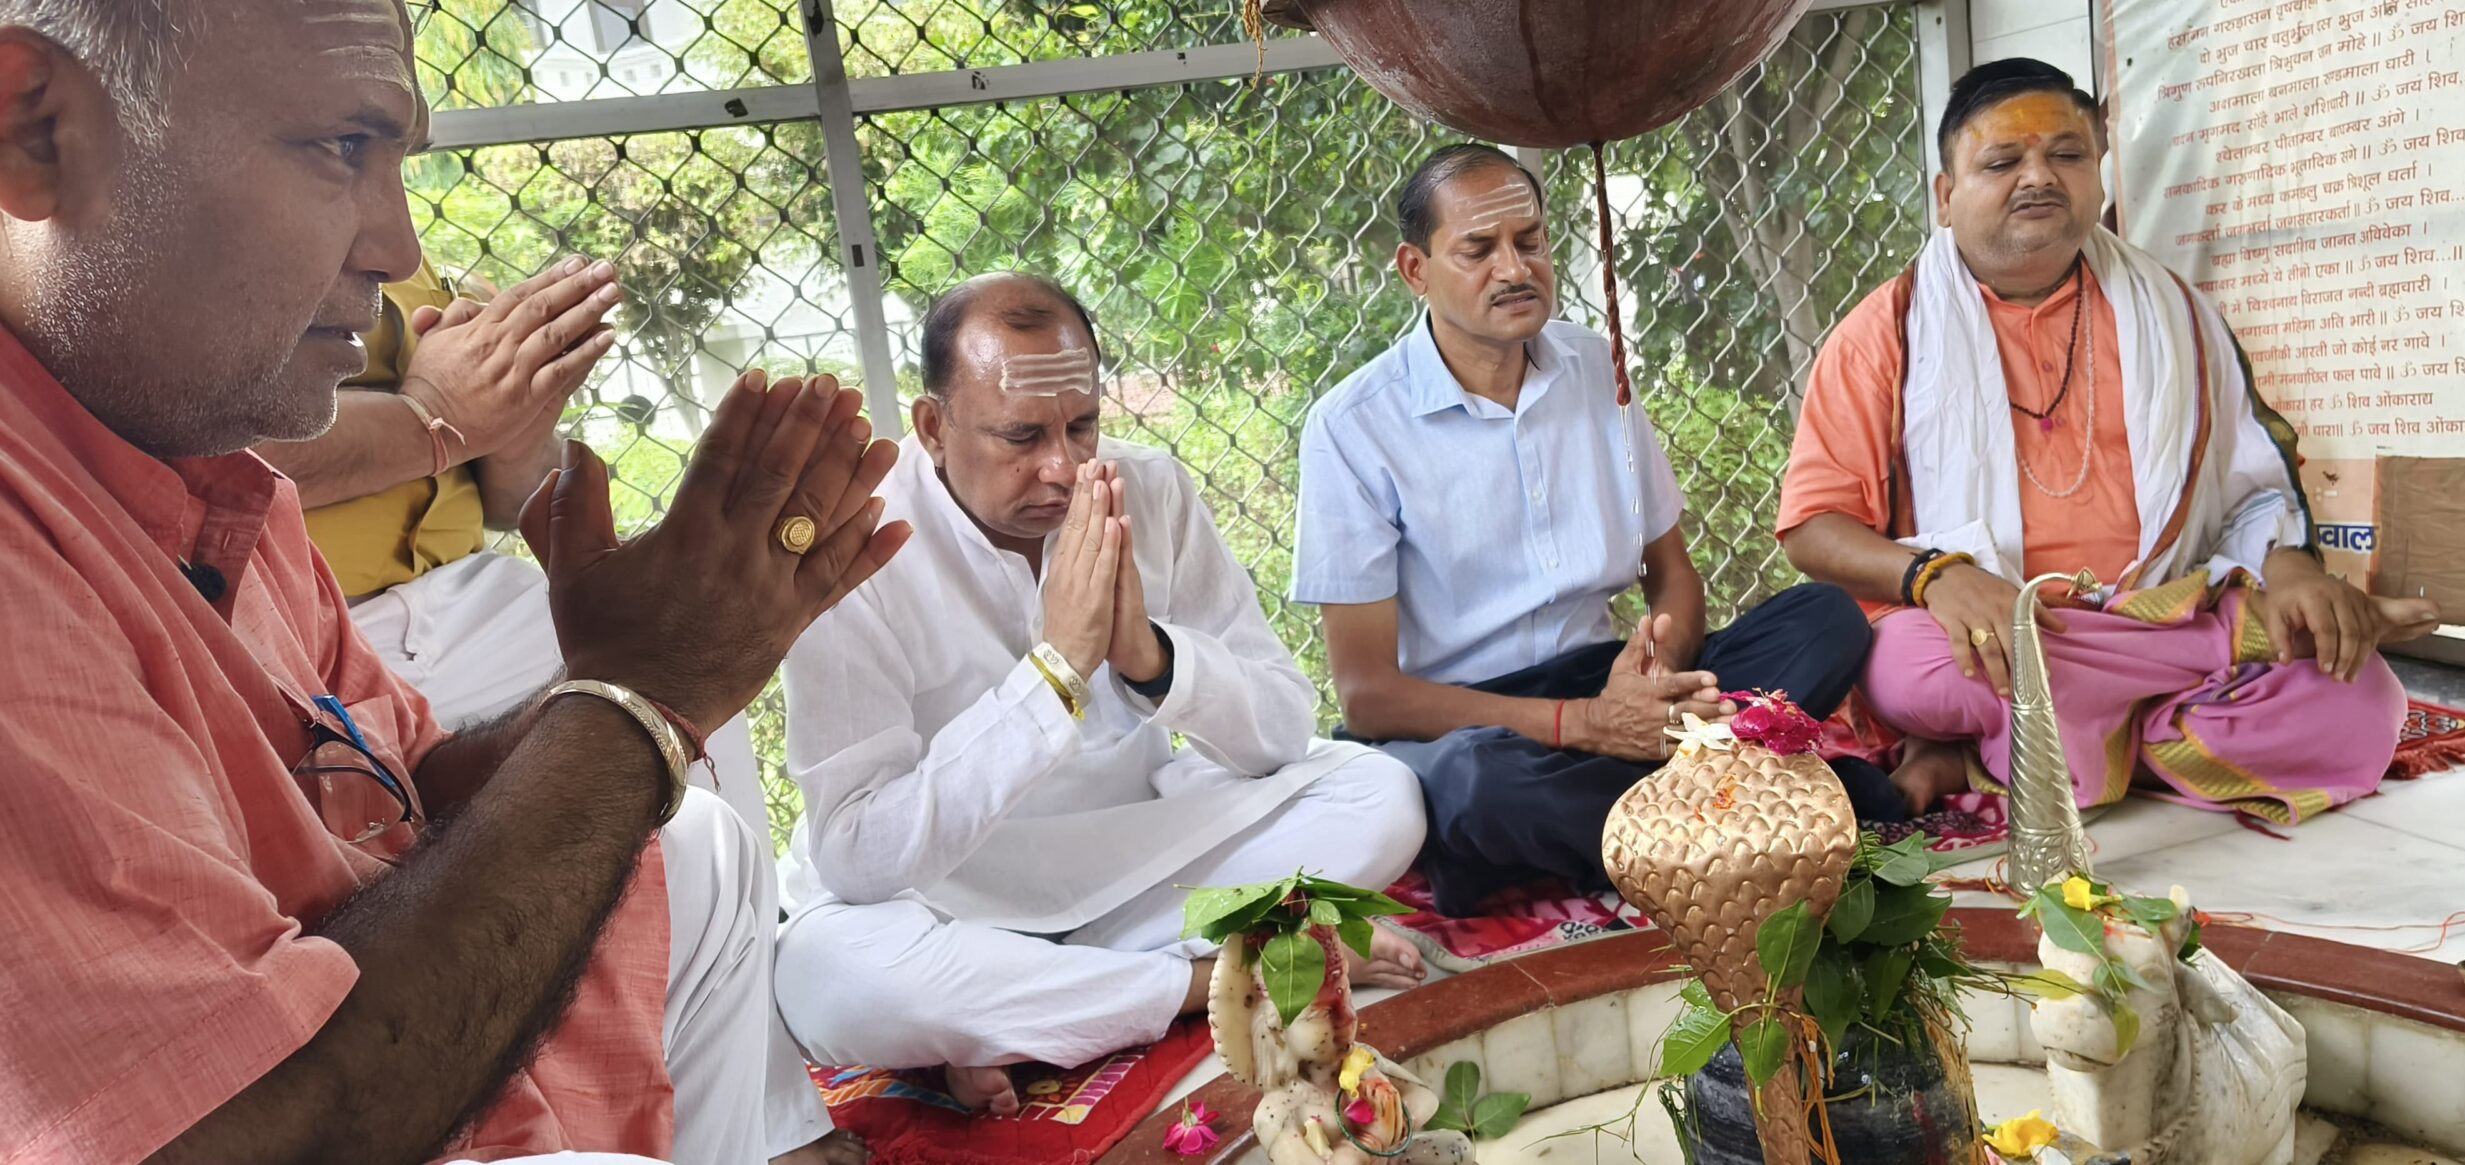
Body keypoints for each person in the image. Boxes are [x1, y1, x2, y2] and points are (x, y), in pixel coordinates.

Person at [0, 3, 909, 1164]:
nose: (395, 245)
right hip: (281, 1115)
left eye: (399, 161)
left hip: (354, 979)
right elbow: (250, 1130)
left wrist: (626, 674)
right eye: (342, 147)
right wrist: (635, 700)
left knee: (700, 851)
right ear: (34, 129)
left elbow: (405, 790)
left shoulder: (211, 464)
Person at [772, 273, 1428, 1115]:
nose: (1064, 467)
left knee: (1382, 796)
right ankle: (1220, 978)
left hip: (1137, 856)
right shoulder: (854, 544)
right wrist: (1054, 675)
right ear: (933, 428)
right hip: (944, 899)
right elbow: (857, 854)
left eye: (1081, 424)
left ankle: (1023, 1012)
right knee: (834, 981)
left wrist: (1151, 658)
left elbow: (1280, 728)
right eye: (1021, 435)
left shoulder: (1147, 489)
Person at [254, 254, 848, 1164]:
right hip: (307, 617)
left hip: (460, 588)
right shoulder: (201, 281)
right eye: (348, 168)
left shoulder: (412, 272)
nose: (395, 236)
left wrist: (518, 410)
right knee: (646, 717)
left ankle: (765, 1113)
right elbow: (230, 454)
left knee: (700, 695)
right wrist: (432, 414)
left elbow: (506, 490)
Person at [1777, 58, 2440, 823]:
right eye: (2002, 161)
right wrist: (1935, 576)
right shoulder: (1881, 335)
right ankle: (2179, 692)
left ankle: (2028, 745)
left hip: (2159, 606)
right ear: (1946, 195)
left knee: (2363, 701)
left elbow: (2255, 486)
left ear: (2097, 176)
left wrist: (2290, 571)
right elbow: (1812, 527)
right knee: (1915, 666)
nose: (2039, 177)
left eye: (2067, 154)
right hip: (1990, 631)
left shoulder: (2175, 315)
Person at [1289, 144, 1885, 921]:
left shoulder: (1595, 365)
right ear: (1415, 269)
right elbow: (1370, 698)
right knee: (1473, 786)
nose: (1514, 268)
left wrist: (1656, 681)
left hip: (1610, 678)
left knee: (1825, 619)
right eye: (1479, 249)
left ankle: (1624, 826)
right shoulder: (1353, 426)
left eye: (1529, 240)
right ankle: (1761, 803)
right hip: (1471, 723)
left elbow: (1671, 573)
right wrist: (1585, 724)